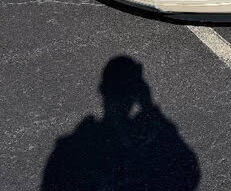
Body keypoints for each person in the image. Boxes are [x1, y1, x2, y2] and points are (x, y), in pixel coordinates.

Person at [41, 56, 200, 190]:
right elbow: (189, 172)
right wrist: (148, 106)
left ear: (102, 90)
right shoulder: (150, 140)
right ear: (137, 92)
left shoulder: (70, 148)